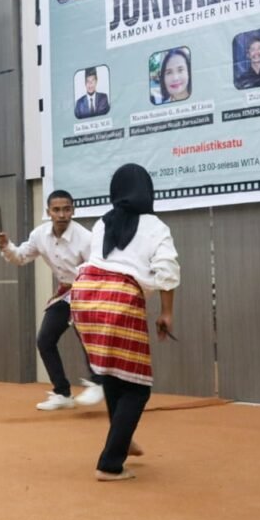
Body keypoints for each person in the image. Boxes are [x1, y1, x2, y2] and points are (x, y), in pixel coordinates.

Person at [70, 164, 180, 481]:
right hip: (119, 298)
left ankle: (122, 437)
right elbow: (167, 270)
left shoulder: (104, 221)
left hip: (85, 296)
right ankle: (110, 463)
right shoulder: (155, 225)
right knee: (138, 388)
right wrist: (167, 313)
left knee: (113, 376)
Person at [0, 190, 104, 410]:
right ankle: (62, 393)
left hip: (88, 291)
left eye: (66, 209)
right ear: (48, 212)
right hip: (65, 293)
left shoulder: (86, 238)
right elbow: (21, 257)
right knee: (45, 340)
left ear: (73, 210)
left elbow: (97, 271)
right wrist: (6, 246)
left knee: (88, 338)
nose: (62, 214)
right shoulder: (39, 235)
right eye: (57, 209)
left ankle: (99, 382)